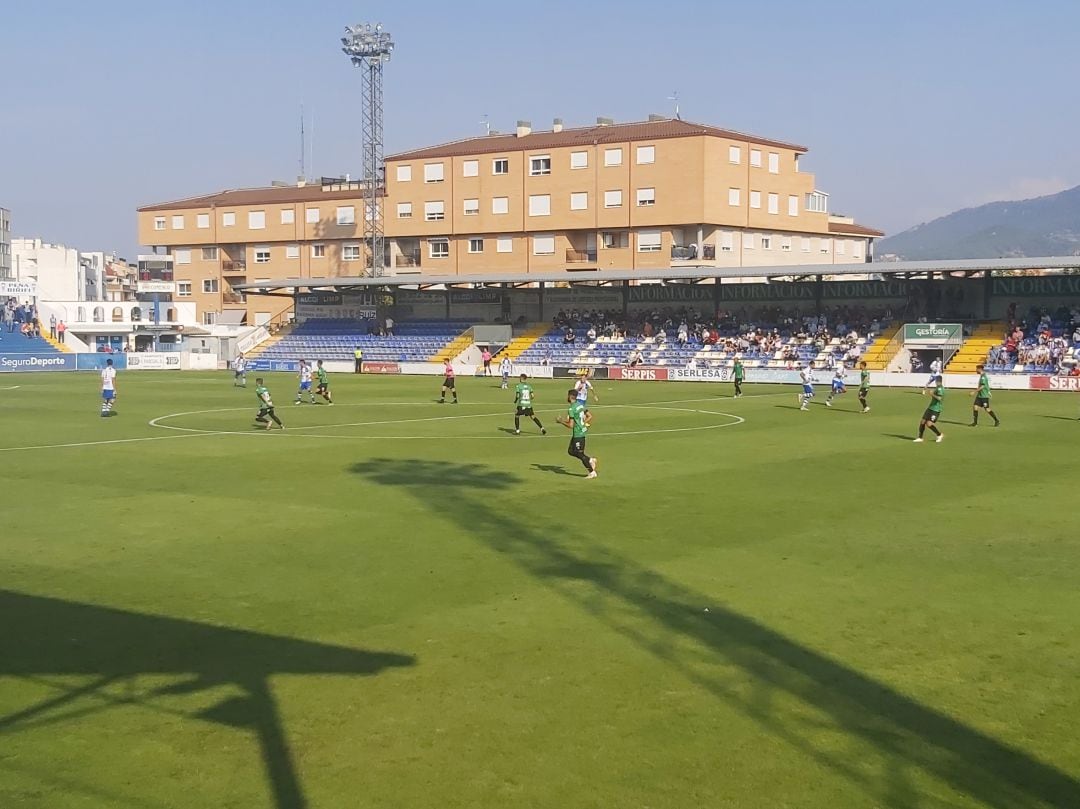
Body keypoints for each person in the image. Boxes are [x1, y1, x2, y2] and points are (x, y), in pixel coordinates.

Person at [557, 388, 598, 479]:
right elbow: (590, 416)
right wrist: (583, 424)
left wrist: (561, 421)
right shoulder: (580, 405)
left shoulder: (572, 409)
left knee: (580, 453)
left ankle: (592, 472)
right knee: (571, 451)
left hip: (578, 433)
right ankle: (590, 460)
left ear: (570, 396)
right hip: (580, 432)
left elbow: (571, 425)